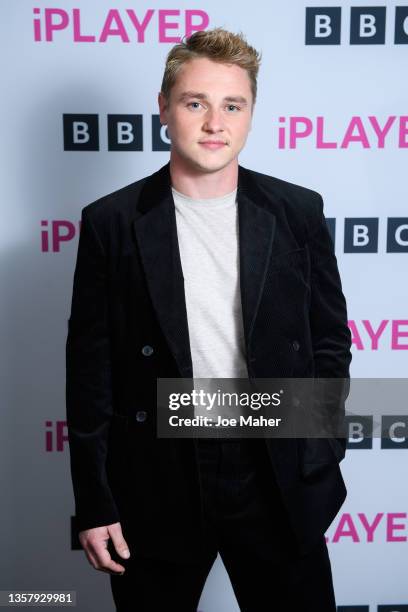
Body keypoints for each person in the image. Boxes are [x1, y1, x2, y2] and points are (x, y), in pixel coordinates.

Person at [66, 27, 352, 611]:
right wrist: (96, 502)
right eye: (195, 102)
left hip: (274, 465)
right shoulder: (110, 223)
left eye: (232, 105)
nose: (214, 123)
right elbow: (90, 375)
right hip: (157, 474)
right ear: (165, 109)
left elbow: (329, 340)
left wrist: (318, 450)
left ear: (250, 114)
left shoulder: (299, 211)